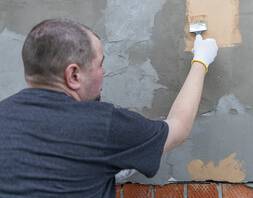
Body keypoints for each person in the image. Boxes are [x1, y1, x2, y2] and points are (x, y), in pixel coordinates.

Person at [0, 18, 218, 197]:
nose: (103, 72)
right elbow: (178, 128)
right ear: (73, 75)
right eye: (100, 64)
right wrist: (201, 60)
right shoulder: (101, 125)